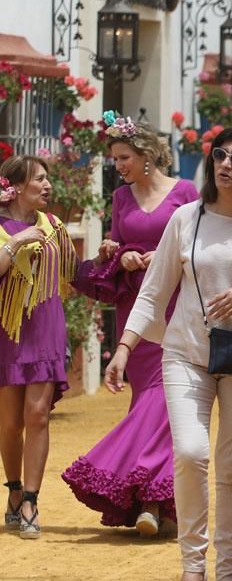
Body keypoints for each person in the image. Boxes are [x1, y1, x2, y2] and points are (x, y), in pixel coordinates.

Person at [109, 127, 232, 581]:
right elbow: (153, 293)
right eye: (219, 156)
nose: (225, 165)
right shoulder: (187, 218)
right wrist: (123, 348)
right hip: (186, 353)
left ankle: (227, 570)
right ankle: (194, 569)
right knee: (190, 454)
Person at [63, 115, 199, 536]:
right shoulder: (121, 198)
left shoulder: (186, 192)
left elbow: (195, 243)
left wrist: (164, 255)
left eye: (123, 157)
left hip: (176, 304)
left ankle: (148, 499)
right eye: (114, 159)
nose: (118, 165)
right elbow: (121, 241)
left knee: (164, 400)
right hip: (136, 307)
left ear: (146, 155)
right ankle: (155, 502)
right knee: (150, 399)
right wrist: (117, 252)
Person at [0, 155, 112, 539]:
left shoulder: (54, 227)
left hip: (46, 330)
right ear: (14, 186)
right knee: (11, 423)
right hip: (8, 333)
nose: (48, 186)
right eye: (40, 179)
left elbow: (75, 274)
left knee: (38, 416)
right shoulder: (2, 228)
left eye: (48, 180)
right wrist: (15, 243)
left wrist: (103, 261)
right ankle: (13, 490)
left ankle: (31, 499)